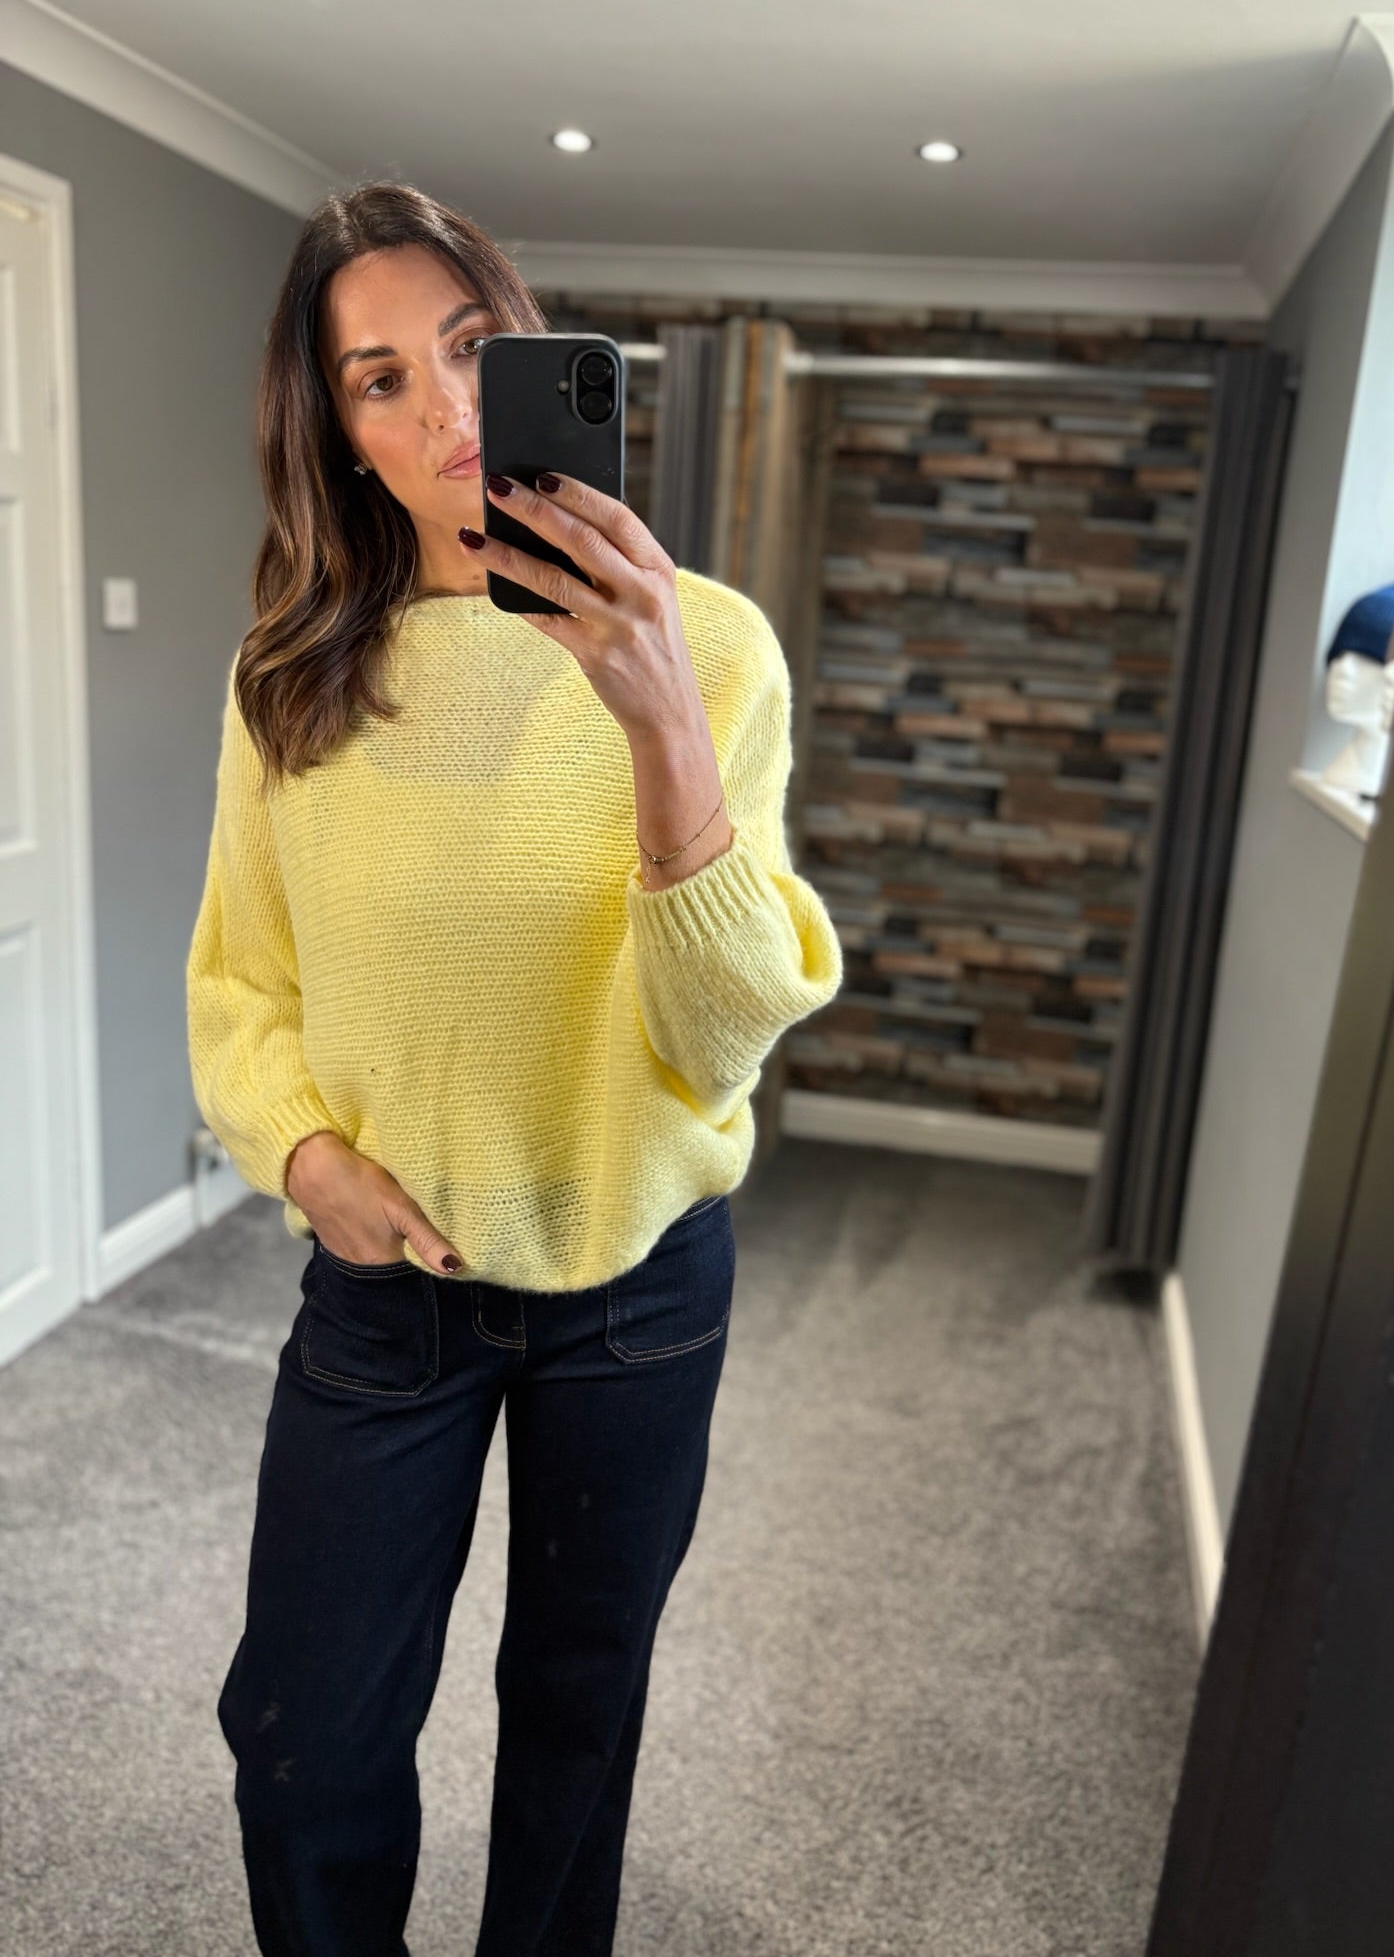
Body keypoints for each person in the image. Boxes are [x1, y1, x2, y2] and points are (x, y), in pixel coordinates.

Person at [185, 179, 843, 1957]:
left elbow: (717, 1039)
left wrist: (660, 722)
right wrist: (303, 1155)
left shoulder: (712, 648)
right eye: (381, 378)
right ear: (338, 429)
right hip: (385, 1286)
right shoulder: (290, 674)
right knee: (303, 1738)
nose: (447, 410)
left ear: (543, 351)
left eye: (474, 349)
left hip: (634, 1289)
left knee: (575, 1709)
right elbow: (243, 979)